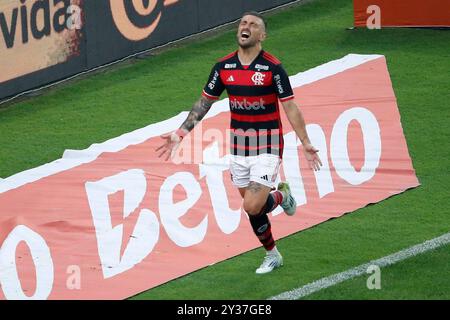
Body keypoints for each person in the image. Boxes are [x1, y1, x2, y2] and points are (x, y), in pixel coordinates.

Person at [157, 11, 322, 274]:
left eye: (253, 24)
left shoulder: (272, 68)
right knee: (255, 209)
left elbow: (290, 106)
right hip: (239, 147)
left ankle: (278, 200)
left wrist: (305, 141)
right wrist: (181, 132)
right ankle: (274, 245)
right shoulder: (223, 67)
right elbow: (205, 102)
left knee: (251, 205)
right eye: (243, 23)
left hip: (267, 145)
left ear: (262, 36)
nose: (246, 27)